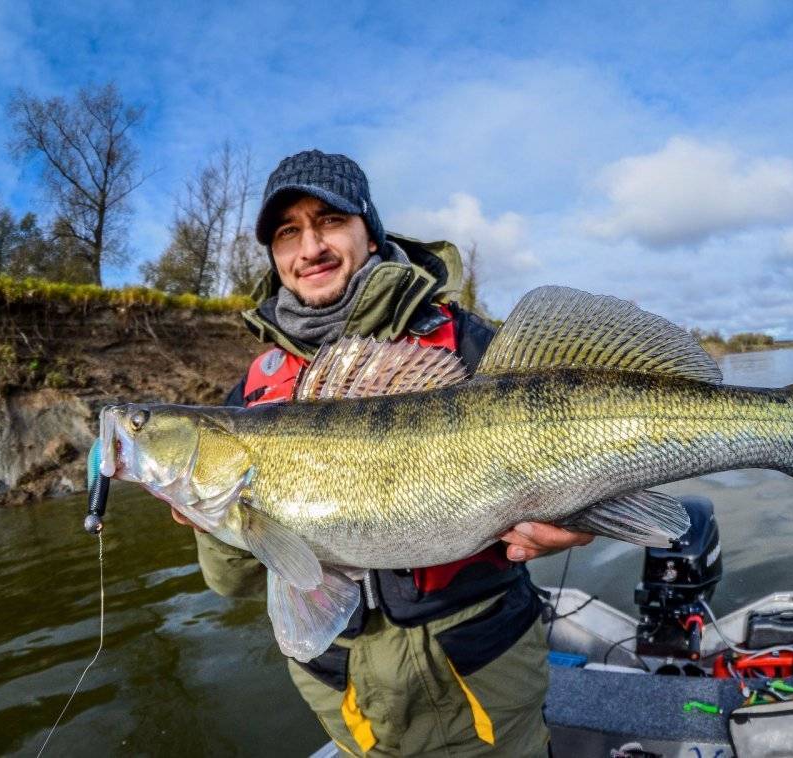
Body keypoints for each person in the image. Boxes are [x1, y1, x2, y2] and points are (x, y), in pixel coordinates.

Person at [171, 150, 593, 756]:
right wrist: (207, 512)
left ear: (369, 232)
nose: (309, 246)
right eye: (287, 232)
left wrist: (584, 518)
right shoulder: (251, 396)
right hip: (346, 698)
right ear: (273, 256)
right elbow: (232, 582)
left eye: (330, 220)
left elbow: (591, 440)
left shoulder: (467, 345)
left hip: (481, 672)